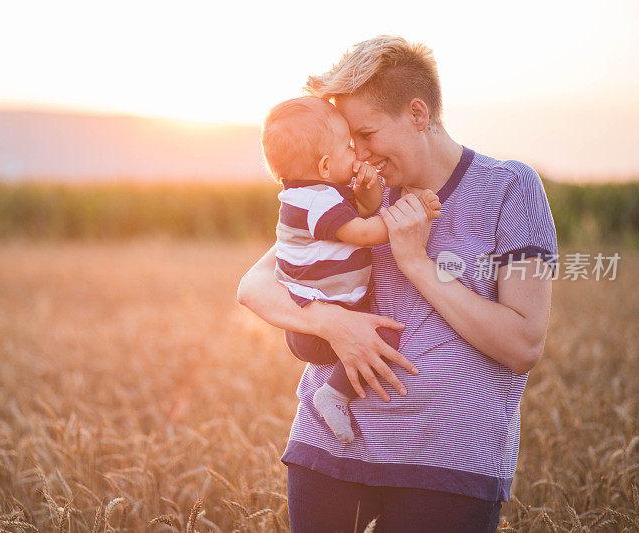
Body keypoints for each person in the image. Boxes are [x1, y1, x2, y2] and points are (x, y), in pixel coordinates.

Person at [237, 35, 557, 532]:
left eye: (366, 134)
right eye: (349, 141)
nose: (358, 154)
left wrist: (417, 265)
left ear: (417, 113)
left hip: (448, 466)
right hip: (329, 451)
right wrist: (331, 323)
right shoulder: (353, 190)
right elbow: (255, 286)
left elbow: (523, 344)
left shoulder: (510, 190)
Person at [261, 96, 441, 443]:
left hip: (308, 318)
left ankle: (336, 393)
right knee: (384, 333)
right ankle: (333, 395)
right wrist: (412, 208)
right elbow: (362, 231)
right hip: (320, 324)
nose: (357, 154)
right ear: (326, 165)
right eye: (348, 147)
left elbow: (361, 210)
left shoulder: (308, 193)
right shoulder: (319, 201)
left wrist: (369, 192)